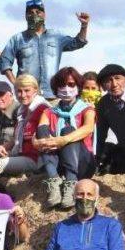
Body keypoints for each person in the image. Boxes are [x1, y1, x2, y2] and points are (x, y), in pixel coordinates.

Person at [0, 0, 90, 99]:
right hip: (27, 97)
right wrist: (16, 84)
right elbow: (4, 61)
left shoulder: (56, 36)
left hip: (52, 96)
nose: (34, 15)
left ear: (44, 15)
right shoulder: (17, 39)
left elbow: (77, 43)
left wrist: (84, 26)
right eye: (30, 13)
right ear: (26, 16)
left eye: (38, 12)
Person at [37, 67, 96, 209]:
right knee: (42, 130)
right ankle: (54, 181)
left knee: (68, 131)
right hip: (58, 164)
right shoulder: (49, 111)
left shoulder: (87, 109)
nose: (66, 89)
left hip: (82, 163)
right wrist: (38, 141)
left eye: (71, 85)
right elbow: (39, 133)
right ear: (56, 88)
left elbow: (88, 128)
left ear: (78, 86)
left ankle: (71, 183)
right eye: (62, 85)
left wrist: (64, 139)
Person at [0, 74, 50, 176]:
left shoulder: (42, 109)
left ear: (35, 90)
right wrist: (4, 147)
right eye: (19, 91)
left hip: (35, 160)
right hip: (20, 154)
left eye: (27, 90)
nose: (23, 95)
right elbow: (17, 138)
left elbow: (46, 139)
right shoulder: (23, 111)